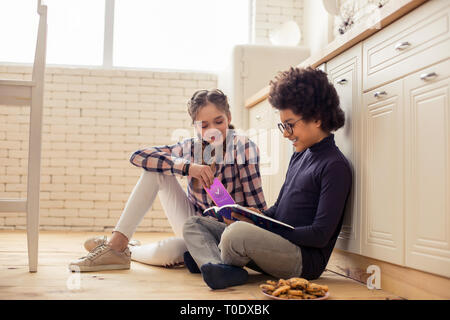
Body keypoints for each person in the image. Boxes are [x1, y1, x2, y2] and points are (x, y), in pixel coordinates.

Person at [182, 67, 352, 290]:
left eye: (290, 125)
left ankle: (212, 259)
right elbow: (279, 209)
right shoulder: (300, 155)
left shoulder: (334, 166)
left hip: (303, 261)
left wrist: (263, 228)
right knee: (194, 224)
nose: (285, 133)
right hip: (279, 241)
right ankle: (217, 266)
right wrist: (257, 216)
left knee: (236, 234)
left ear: (317, 118)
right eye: (283, 125)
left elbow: (319, 236)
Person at [68, 89, 267, 272]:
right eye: (204, 125)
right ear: (195, 127)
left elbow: (259, 209)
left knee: (170, 252)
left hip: (229, 234)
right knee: (154, 171)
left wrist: (237, 215)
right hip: (194, 228)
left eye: (218, 122)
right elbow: (138, 156)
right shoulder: (190, 148)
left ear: (229, 118)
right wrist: (189, 167)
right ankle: (116, 245)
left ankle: (125, 248)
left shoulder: (244, 148)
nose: (212, 130)